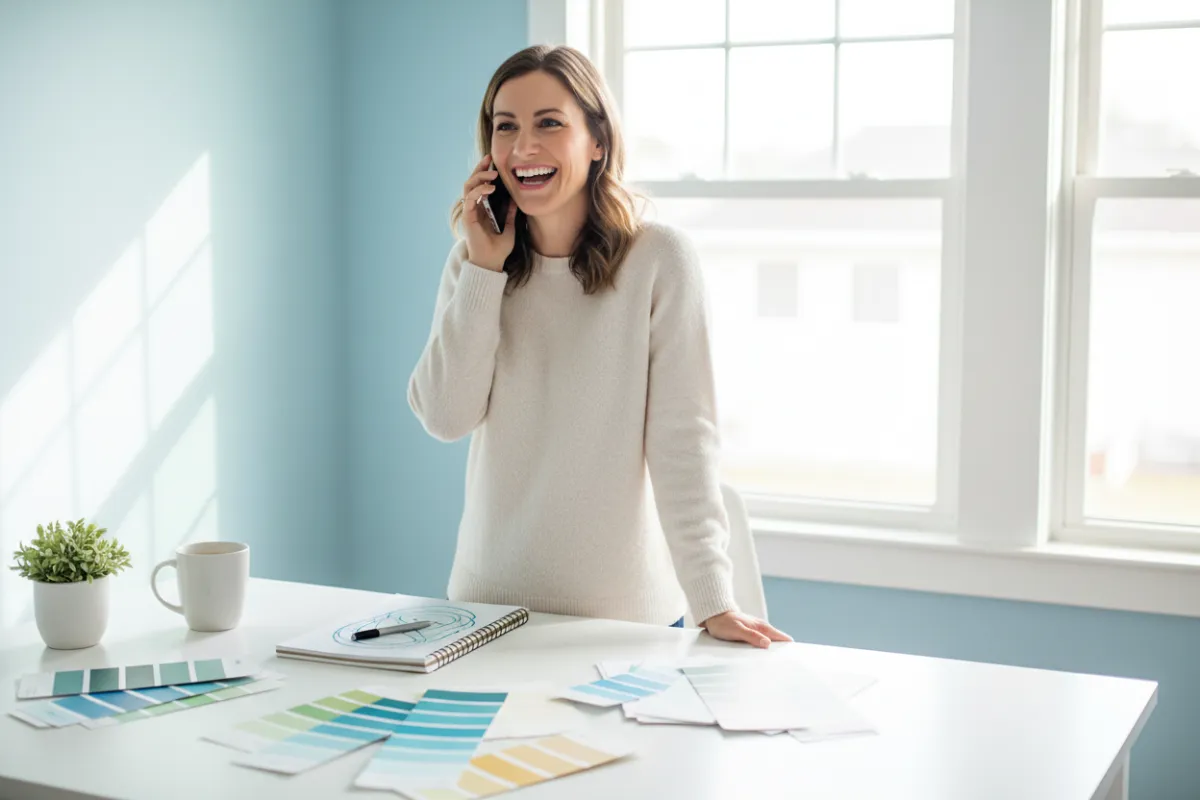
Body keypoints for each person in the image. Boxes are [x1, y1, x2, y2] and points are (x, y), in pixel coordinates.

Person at [408, 45, 790, 649]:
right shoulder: (474, 262)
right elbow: (445, 418)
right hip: (484, 612)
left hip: (621, 625)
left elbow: (682, 442)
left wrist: (713, 601)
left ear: (598, 141)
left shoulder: (659, 260)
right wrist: (485, 270)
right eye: (505, 127)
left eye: (549, 123)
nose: (523, 146)